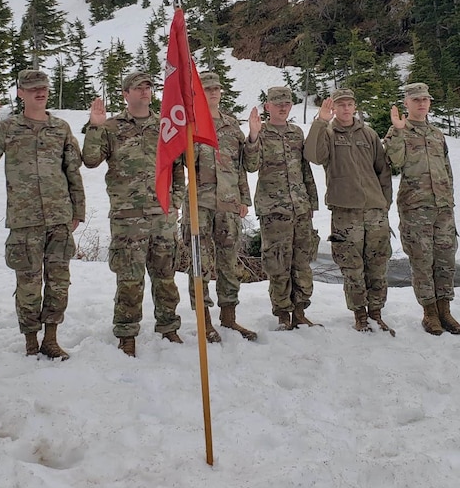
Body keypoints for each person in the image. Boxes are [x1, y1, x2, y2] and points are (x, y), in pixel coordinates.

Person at [0, 70, 86, 360]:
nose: (40, 92)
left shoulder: (60, 128)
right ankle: (30, 341)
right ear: (20, 93)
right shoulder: (9, 127)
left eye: (44, 88)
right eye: (32, 88)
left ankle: (51, 338)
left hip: (59, 216)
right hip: (25, 220)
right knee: (28, 283)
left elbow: (72, 170)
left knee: (59, 281)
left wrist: (78, 210)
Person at [82, 71, 185, 357]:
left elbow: (178, 168)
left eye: (148, 87)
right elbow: (90, 160)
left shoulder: (165, 127)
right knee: (129, 278)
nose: (144, 91)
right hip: (128, 217)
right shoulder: (112, 127)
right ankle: (126, 333)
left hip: (162, 215)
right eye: (138, 87)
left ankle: (168, 326)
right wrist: (95, 127)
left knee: (165, 275)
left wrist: (175, 201)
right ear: (125, 94)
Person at [304, 88, 394, 334]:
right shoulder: (328, 134)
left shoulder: (369, 134)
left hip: (375, 211)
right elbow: (313, 154)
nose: (345, 109)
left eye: (349, 104)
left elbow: (382, 171)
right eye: (340, 105)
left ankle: (376, 311)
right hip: (346, 211)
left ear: (355, 106)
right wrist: (320, 122)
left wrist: (385, 202)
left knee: (377, 263)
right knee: (352, 266)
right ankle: (360, 313)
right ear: (334, 108)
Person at [385, 82, 460, 336]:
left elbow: (447, 170)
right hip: (415, 209)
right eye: (416, 100)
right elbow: (394, 163)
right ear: (406, 103)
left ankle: (445, 310)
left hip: (443, 208)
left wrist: (449, 200)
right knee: (422, 261)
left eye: (425, 100)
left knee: (445, 260)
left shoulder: (436, 134)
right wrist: (397, 132)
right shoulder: (399, 131)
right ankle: (429, 313)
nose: (421, 104)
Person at [181, 71, 256, 342]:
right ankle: (204, 320)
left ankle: (229, 317)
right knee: (200, 263)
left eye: (216, 88)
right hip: (199, 203)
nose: (213, 92)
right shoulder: (190, 123)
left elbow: (242, 167)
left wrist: (243, 199)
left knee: (228, 262)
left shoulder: (231, 125)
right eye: (207, 88)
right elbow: (178, 163)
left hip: (228, 202)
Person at [243, 85, 320, 330]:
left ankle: (300, 310)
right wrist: (253, 137)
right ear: (268, 107)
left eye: (286, 103)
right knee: (277, 262)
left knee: (302, 261)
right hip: (274, 209)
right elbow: (251, 165)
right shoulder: (262, 133)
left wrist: (311, 202)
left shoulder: (297, 133)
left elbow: (305, 170)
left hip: (299, 207)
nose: (283, 107)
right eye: (277, 104)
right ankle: (282, 313)